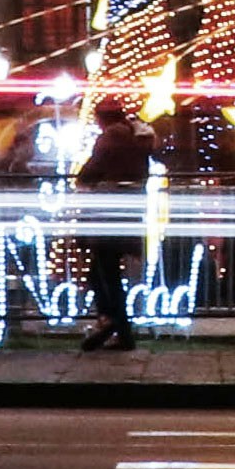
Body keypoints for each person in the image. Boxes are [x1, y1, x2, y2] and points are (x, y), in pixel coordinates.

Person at [72, 98, 151, 351]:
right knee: (103, 272)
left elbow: (92, 170)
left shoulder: (111, 137)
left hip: (108, 213)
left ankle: (113, 324)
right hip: (127, 211)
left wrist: (82, 178)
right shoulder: (135, 136)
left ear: (102, 118)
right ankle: (119, 329)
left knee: (105, 274)